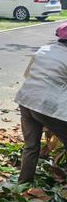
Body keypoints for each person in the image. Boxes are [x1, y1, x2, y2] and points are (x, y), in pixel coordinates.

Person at [15, 22, 67, 184]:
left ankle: (23, 184)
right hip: (48, 106)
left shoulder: (43, 50)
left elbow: (27, 74)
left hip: (26, 100)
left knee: (31, 146)